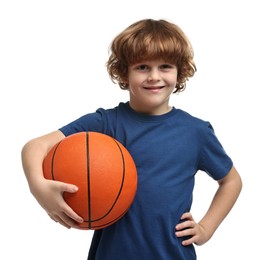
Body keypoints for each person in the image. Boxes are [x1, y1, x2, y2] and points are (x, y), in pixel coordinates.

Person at [21, 18, 242, 259]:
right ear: (124, 72)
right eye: (142, 67)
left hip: (173, 254)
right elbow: (35, 146)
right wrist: (38, 187)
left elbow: (231, 181)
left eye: (165, 66)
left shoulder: (196, 132)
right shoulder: (105, 123)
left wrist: (206, 228)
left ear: (180, 72)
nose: (154, 76)